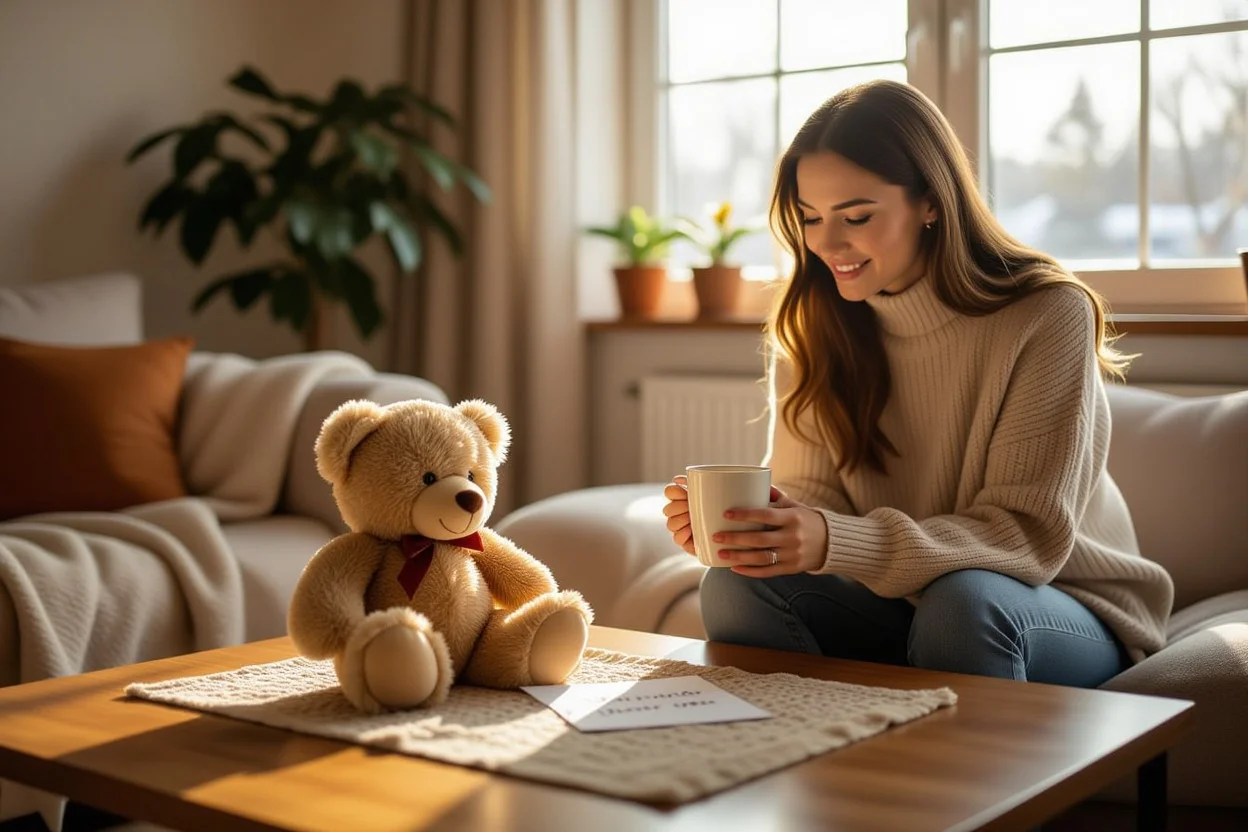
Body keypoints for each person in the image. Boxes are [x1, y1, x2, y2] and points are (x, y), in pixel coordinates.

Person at [661, 80, 1173, 688]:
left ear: (932, 201)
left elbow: (1027, 539)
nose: (826, 243)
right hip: (904, 603)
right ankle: (797, 765)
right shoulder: (812, 324)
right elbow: (814, 498)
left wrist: (832, 539)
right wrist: (766, 533)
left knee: (963, 603)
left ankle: (964, 786)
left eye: (856, 216)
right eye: (809, 217)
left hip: (1061, 605)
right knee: (737, 583)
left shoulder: (1046, 313)